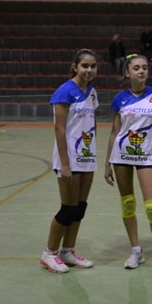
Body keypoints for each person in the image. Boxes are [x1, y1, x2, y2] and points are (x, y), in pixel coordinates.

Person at [103, 54, 152, 274]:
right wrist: (107, 163)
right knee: (127, 204)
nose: (141, 71)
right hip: (121, 156)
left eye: (144, 67)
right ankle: (136, 250)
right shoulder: (120, 99)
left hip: (147, 156)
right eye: (136, 68)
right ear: (127, 72)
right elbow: (115, 132)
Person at [40, 49, 100, 274]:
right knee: (67, 209)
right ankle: (49, 253)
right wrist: (65, 165)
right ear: (75, 67)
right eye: (85, 65)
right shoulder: (64, 91)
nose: (89, 70)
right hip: (69, 159)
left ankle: (68, 251)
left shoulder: (92, 92)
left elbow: (90, 126)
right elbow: (59, 129)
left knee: (80, 209)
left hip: (87, 158)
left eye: (93, 66)